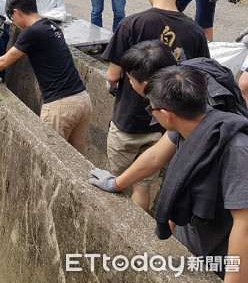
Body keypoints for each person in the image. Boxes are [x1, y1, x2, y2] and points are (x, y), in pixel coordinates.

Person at [90, 66, 248, 281]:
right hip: (189, 240)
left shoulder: (235, 149)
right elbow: (155, 156)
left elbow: (244, 225)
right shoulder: (192, 123)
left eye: (152, 110)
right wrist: (116, 183)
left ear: (166, 115)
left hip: (218, 259)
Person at [101, 0, 210, 212]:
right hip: (167, 126)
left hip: (128, 120)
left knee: (117, 181)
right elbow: (199, 76)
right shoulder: (195, 32)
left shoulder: (132, 23)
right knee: (143, 185)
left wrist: (114, 83)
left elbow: (112, 75)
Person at [0, 0, 92, 154]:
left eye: (11, 18)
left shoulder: (31, 32)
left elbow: (5, 61)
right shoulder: (51, 25)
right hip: (82, 101)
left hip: (61, 107)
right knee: (77, 159)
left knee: (51, 158)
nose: (13, 23)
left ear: (16, 12)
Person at [120, 40, 248, 117]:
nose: (130, 83)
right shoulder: (192, 71)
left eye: (130, 79)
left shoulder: (185, 109)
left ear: (146, 84)